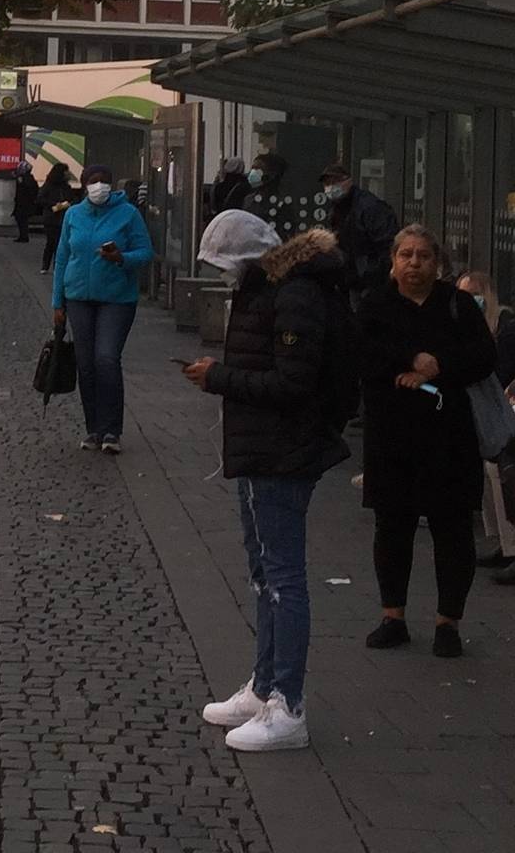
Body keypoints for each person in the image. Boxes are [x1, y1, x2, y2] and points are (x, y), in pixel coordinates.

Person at [180, 215, 355, 752]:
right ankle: (264, 686)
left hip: (282, 448)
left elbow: (292, 381)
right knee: (264, 573)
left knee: (282, 577)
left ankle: (288, 703)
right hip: (266, 445)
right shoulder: (272, 287)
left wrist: (219, 378)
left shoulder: (293, 293)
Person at [354, 225, 499, 658]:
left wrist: (438, 367)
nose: (414, 263)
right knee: (392, 526)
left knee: (452, 531)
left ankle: (447, 622)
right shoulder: (375, 304)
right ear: (393, 261)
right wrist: (407, 360)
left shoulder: (458, 305)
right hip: (392, 437)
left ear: (437, 263)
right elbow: (361, 351)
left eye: (423, 256)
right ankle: (392, 616)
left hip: (449, 439)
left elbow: (483, 357)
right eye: (406, 255)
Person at [49, 164, 154, 454]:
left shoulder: (128, 214)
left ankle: (112, 430)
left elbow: (146, 252)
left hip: (116, 299)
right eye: (93, 182)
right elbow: (62, 257)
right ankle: (94, 429)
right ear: (84, 186)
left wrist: (122, 258)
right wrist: (57, 302)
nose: (99, 187)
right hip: (78, 297)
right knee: (86, 363)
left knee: (106, 358)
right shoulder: (73, 214)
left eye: (104, 182)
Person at [460, 269, 515, 586]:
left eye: (475, 292)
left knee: (502, 468)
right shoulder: (470, 326)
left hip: (510, 405)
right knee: (490, 468)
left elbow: (500, 373)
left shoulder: (506, 327)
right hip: (495, 406)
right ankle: (503, 539)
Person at [319, 163, 401, 289]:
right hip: (351, 279)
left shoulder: (369, 207)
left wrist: (369, 273)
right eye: (327, 183)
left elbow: (388, 245)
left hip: (369, 281)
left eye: (336, 181)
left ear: (348, 181)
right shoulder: (337, 208)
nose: (331, 187)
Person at [238, 153, 294, 235]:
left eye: (258, 169)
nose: (253, 172)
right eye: (252, 168)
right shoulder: (249, 200)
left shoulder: (282, 204)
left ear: (272, 174)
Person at [12, 164, 43, 243]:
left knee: (21, 219)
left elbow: (23, 189)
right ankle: (23, 236)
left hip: (22, 203)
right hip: (27, 202)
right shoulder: (31, 178)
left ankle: (23, 236)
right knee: (23, 220)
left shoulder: (23, 178)